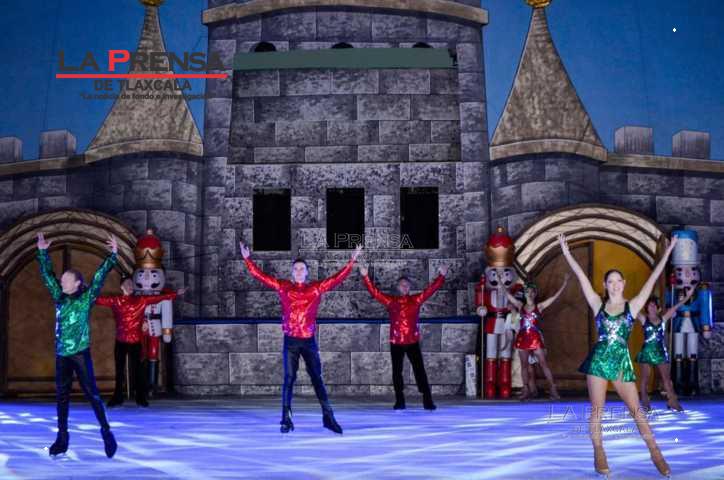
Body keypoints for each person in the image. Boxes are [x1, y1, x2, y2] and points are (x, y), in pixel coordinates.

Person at [558, 233, 677, 477]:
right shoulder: (597, 304)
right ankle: (599, 452)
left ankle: (656, 454)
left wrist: (667, 253)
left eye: (618, 281)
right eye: (610, 281)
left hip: (621, 361)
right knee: (597, 410)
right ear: (605, 285)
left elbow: (652, 279)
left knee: (636, 411)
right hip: (599, 361)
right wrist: (567, 253)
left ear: (623, 283)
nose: (614, 284)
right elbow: (581, 278)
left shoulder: (632, 306)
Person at [240, 242, 363, 434]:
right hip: (290, 341)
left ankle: (328, 417)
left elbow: (336, 279)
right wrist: (247, 259)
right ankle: (286, 419)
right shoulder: (284, 287)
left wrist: (351, 261)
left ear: (306, 272)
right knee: (289, 379)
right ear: (292, 272)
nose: (298, 271)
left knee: (317, 378)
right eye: (296, 269)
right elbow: (261, 276)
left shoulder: (315, 288)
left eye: (302, 269)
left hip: (308, 341)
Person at [36, 232, 118, 458]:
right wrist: (42, 252)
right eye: (62, 280)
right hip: (62, 355)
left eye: (66, 280)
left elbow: (99, 277)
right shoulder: (59, 296)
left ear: (77, 283)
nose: (61, 282)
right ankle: (62, 439)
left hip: (80, 354)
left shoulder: (85, 299)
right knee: (61, 397)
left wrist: (113, 255)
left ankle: (106, 431)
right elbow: (47, 275)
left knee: (92, 394)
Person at [359, 264, 448, 410]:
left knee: (419, 370)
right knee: (397, 372)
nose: (405, 287)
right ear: (398, 287)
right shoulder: (391, 301)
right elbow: (374, 292)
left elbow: (430, 290)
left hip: (412, 341)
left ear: (410, 287)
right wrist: (365, 276)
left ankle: (427, 400)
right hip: (396, 342)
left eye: (407, 285)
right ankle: (400, 400)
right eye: (402, 285)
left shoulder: (416, 300)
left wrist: (441, 276)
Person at [96, 277, 186, 407]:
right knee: (119, 371)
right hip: (121, 341)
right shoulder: (115, 301)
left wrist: (175, 294)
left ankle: (140, 397)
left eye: (131, 284)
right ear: (121, 287)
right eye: (127, 284)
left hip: (135, 341)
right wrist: (83, 291)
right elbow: (97, 300)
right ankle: (117, 397)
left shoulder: (141, 300)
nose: (130, 286)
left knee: (138, 370)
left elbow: (159, 298)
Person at [506, 275, 569, 401]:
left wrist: (564, 284)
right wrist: (500, 283)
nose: (529, 294)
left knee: (544, 365)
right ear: (524, 294)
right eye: (527, 292)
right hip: (523, 338)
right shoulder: (520, 305)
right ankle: (526, 390)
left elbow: (553, 298)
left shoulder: (539, 306)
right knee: (524, 365)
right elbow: (508, 295)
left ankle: (553, 389)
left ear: (535, 294)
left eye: (531, 292)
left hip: (535, 339)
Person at [636, 290, 693, 412]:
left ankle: (672, 401)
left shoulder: (663, 318)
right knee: (645, 379)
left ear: (658, 308)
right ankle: (645, 403)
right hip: (647, 352)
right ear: (646, 308)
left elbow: (676, 307)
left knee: (666, 378)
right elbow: (632, 308)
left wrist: (687, 297)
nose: (652, 307)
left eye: (654, 305)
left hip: (660, 351)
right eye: (650, 305)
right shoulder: (644, 319)